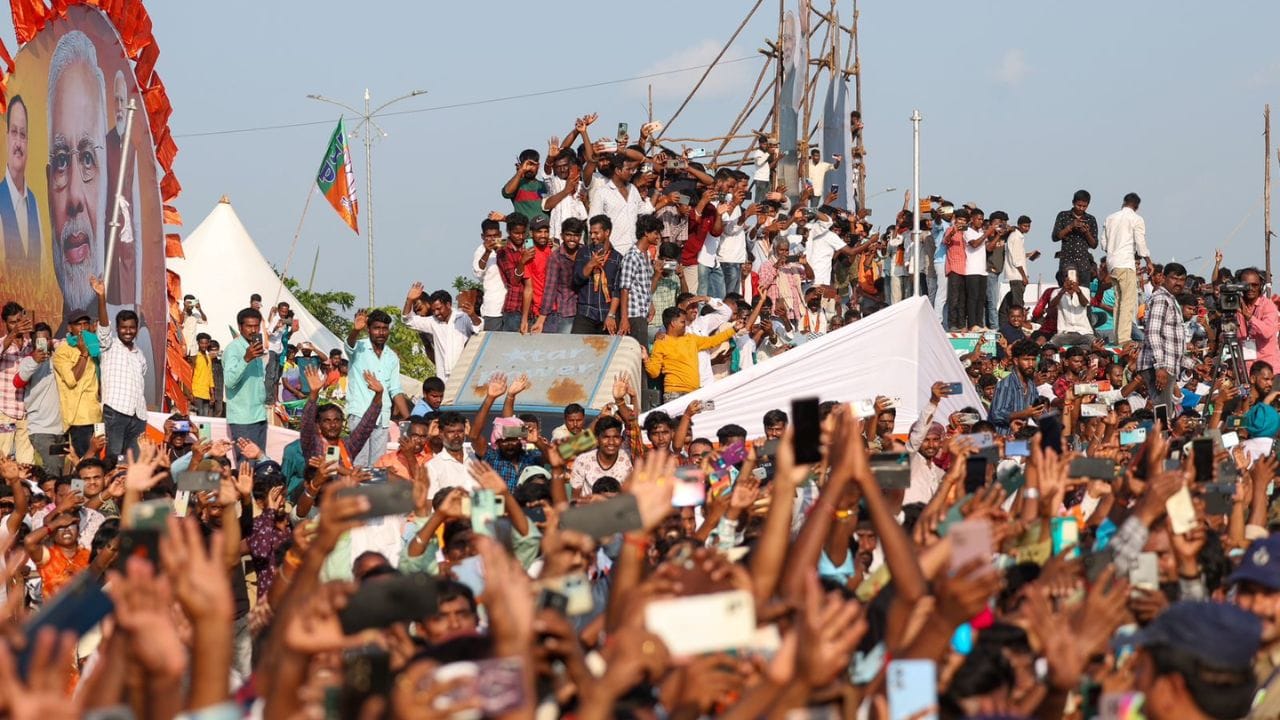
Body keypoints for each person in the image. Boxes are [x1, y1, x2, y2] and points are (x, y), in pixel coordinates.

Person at [46, 31, 108, 325]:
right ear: (47, 187)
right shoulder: (39, 346)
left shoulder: (136, 339)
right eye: (60, 161)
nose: (73, 197)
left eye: (87, 159)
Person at [344, 309, 411, 466]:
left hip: (382, 417)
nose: (381, 332)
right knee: (359, 462)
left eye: (384, 328)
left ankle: (373, 491)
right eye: (376, 328)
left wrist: (409, 419)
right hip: (360, 413)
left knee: (378, 465)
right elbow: (348, 346)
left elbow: (395, 389)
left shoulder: (391, 357)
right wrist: (355, 330)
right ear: (369, 329)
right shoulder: (359, 347)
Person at [90, 275, 147, 458]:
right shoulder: (109, 345)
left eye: (131, 327)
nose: (128, 331)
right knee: (113, 457)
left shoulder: (140, 354)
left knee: (133, 461)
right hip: (116, 411)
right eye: (123, 327)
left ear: (136, 329)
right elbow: (104, 327)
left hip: (138, 415)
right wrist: (101, 296)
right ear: (117, 328)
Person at [645, 307, 736, 403]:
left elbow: (712, 341)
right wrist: (646, 359)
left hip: (695, 393)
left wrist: (733, 329)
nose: (686, 325)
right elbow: (654, 372)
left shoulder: (691, 339)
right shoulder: (661, 343)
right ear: (673, 323)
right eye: (683, 322)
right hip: (674, 394)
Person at [1138, 262, 1191, 413]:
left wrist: (1193, 365)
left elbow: (1173, 345)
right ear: (1163, 278)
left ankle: (1161, 435)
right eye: (1174, 278)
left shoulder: (1171, 299)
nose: (1178, 283)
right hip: (1160, 367)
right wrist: (1160, 367)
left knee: (1164, 411)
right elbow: (1153, 333)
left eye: (1182, 280)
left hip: (1166, 366)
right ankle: (1160, 437)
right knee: (1162, 413)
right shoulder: (1162, 298)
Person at [401, 285, 480, 382]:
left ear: (448, 305)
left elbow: (479, 328)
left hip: (464, 375)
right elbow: (408, 321)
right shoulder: (432, 322)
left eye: (439, 309)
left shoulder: (462, 317)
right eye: (433, 310)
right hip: (443, 378)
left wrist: (473, 315)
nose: (436, 313)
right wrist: (409, 299)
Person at [1101, 193, 1151, 346]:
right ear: (1136, 207)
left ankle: (1118, 336)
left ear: (1124, 203)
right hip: (1125, 262)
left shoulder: (1110, 218)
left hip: (1112, 263)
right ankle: (1123, 338)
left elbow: (1103, 244)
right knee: (1128, 302)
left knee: (1118, 301)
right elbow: (1141, 244)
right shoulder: (1136, 219)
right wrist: (1148, 261)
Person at [0, 95, 40, 275]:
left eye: (23, 135)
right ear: (6, 136)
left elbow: (43, 272)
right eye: (14, 132)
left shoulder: (34, 204)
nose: (18, 143)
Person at [588, 151, 653, 256]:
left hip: (634, 249)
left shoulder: (633, 189)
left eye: (633, 169)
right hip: (612, 249)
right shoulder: (602, 192)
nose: (632, 172)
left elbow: (644, 211)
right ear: (618, 170)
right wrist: (599, 248)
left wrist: (659, 193)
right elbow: (593, 222)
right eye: (628, 169)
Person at [223, 306, 269, 453]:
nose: (253, 330)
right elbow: (229, 382)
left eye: (256, 326)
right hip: (243, 419)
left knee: (259, 465)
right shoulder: (234, 349)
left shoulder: (256, 349)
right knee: (246, 466)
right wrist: (246, 359)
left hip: (259, 416)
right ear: (240, 327)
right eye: (249, 326)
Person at [14, 322, 58, 470]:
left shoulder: (59, 358)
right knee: (51, 470)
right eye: (39, 341)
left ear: (51, 340)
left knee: (61, 470)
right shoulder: (28, 361)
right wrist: (35, 361)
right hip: (41, 429)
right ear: (33, 343)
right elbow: (18, 382)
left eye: (46, 340)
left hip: (62, 429)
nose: (42, 344)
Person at [570, 215, 622, 335]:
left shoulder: (617, 258)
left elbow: (616, 290)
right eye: (591, 233)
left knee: (605, 351)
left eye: (596, 233)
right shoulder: (584, 252)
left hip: (606, 314)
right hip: (586, 312)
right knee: (578, 349)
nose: (592, 236)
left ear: (607, 232)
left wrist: (611, 315)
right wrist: (590, 265)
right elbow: (576, 280)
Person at [534, 216, 585, 335]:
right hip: (566, 311)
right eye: (568, 235)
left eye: (576, 235)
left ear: (580, 237)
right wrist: (542, 318)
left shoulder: (586, 253)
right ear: (562, 236)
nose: (572, 239)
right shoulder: (556, 257)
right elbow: (550, 289)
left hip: (585, 312)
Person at [618, 213, 661, 348]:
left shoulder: (646, 255)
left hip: (642, 313)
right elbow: (624, 289)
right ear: (646, 233)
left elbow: (645, 287)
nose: (658, 236)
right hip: (633, 315)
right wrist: (624, 319)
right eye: (655, 233)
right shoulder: (632, 256)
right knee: (639, 356)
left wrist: (651, 304)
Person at [0, 302, 32, 463]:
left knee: (26, 462)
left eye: (19, 321)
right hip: (5, 412)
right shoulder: (3, 344)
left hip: (26, 411)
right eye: (12, 322)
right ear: (5, 324)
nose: (17, 325)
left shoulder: (31, 345)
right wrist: (13, 334)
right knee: (3, 458)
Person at [990, 339, 1042, 433]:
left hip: (1022, 438)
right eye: (1026, 359)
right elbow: (996, 414)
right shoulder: (1006, 384)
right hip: (1004, 438)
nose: (1031, 364)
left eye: (1033, 359)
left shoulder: (1031, 384)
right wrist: (1023, 413)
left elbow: (1036, 409)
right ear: (1016, 361)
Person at [1051, 189, 1099, 286]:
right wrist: (1070, 226)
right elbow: (1055, 237)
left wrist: (1086, 232)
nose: (1081, 208)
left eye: (1084, 206)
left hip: (1084, 264)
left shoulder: (1090, 219)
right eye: (1079, 205)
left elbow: (1094, 244)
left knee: (1084, 294)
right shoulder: (1063, 216)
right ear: (1073, 203)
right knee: (1068, 292)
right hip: (1067, 261)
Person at [1237, 267, 1280, 375]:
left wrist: (1249, 317)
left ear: (1261, 286)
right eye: (1246, 285)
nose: (1250, 288)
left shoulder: (1268, 306)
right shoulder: (1236, 308)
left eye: (1254, 285)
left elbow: (1267, 332)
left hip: (1268, 373)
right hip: (1246, 372)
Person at [1000, 215, 1035, 327]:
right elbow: (1016, 261)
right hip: (1017, 276)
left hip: (1017, 275)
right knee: (1017, 304)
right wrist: (1024, 276)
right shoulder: (1015, 237)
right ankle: (1019, 325)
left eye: (1028, 226)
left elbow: (1017, 256)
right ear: (1019, 225)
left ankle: (1003, 321)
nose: (1027, 228)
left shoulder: (1017, 237)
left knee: (1010, 301)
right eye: (1025, 226)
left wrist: (1029, 255)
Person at [473, 218, 507, 331]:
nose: (492, 239)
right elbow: (478, 272)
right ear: (483, 236)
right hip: (493, 308)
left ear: (500, 234)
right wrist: (488, 252)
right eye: (489, 236)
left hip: (511, 306)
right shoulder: (480, 251)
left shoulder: (507, 245)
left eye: (495, 235)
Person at [501, 148, 547, 220]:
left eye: (532, 165)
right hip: (525, 230)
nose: (528, 168)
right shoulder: (517, 185)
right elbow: (506, 193)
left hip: (545, 230)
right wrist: (520, 171)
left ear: (538, 166)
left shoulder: (545, 186)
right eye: (526, 165)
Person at [181, 294, 206, 361]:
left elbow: (205, 320)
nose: (191, 305)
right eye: (189, 302)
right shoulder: (180, 314)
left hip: (193, 349)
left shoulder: (195, 316)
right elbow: (180, 321)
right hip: (182, 347)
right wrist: (185, 308)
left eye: (192, 302)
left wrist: (200, 309)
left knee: (192, 369)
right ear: (184, 303)